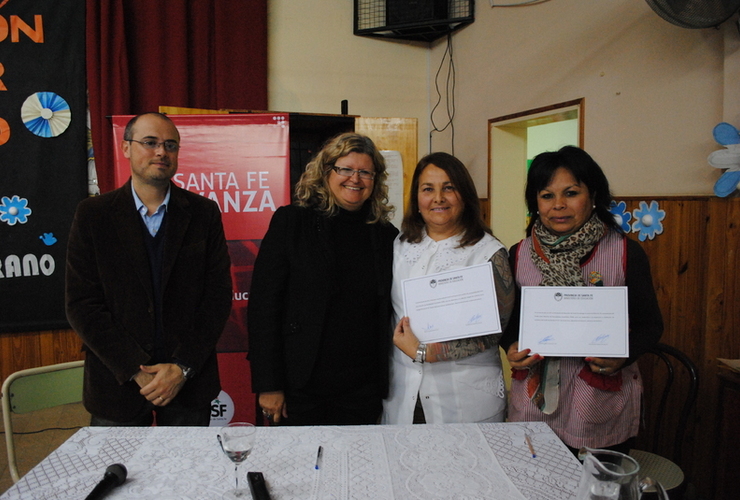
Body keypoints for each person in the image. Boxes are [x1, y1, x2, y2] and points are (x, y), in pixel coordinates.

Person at [65, 112, 233, 426]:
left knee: (188, 474)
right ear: (126, 147)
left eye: (170, 145)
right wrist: (134, 370)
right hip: (117, 385)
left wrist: (181, 368)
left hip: (188, 383)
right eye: (150, 142)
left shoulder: (203, 213)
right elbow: (82, 304)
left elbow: (217, 299)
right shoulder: (93, 215)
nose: (161, 152)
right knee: (120, 474)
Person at [501, 145, 663, 454]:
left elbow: (650, 325)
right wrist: (510, 346)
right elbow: (509, 322)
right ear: (535, 202)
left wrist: (623, 356)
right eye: (547, 195)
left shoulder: (625, 254)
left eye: (571, 193)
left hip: (597, 402)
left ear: (593, 196)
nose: (558, 205)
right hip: (536, 403)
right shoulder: (518, 254)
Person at [248, 132, 398, 425]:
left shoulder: (386, 235)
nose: (355, 179)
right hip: (298, 387)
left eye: (365, 172)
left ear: (375, 179)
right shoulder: (291, 222)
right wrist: (269, 384)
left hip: (362, 389)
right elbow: (264, 306)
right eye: (345, 169)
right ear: (326, 171)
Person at [382, 152, 515, 425]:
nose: (438, 198)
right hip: (403, 392)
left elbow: (495, 331)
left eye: (449, 188)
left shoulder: (488, 253)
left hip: (466, 396)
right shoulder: (398, 246)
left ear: (464, 196)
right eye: (428, 189)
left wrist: (426, 352)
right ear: (417, 199)